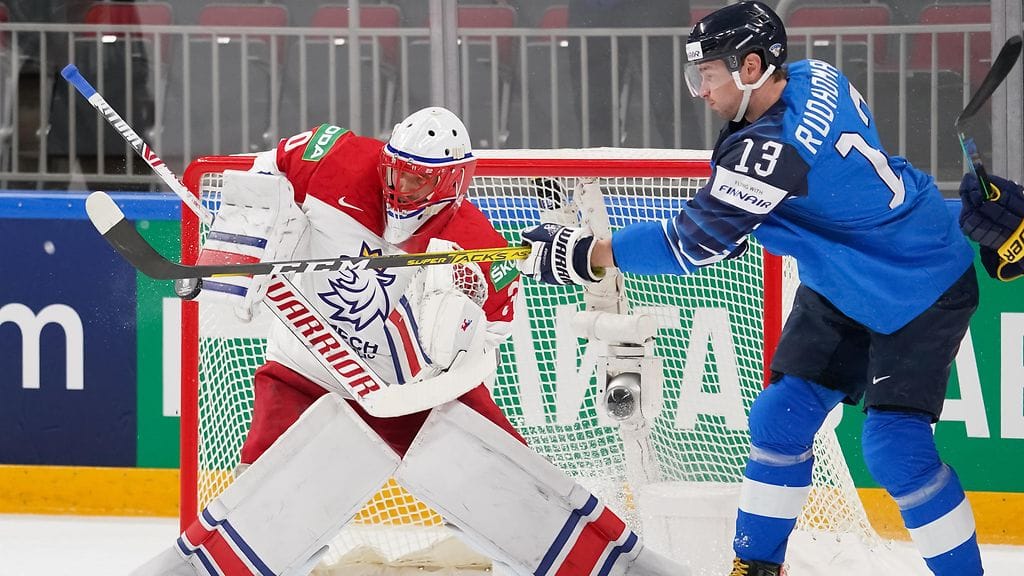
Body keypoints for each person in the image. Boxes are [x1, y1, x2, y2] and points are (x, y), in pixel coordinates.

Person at [518, 3, 984, 575]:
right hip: (843, 277)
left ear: (753, 66)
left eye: (708, 74)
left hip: (920, 282)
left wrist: (588, 254)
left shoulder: (771, 151)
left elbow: (693, 243)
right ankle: (759, 568)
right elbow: (737, 220)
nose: (700, 92)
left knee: (895, 450)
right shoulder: (817, 74)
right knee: (779, 420)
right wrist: (731, 221)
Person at [131, 107, 689, 576]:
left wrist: (449, 339)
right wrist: (228, 251)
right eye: (396, 171)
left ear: (453, 181)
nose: (400, 187)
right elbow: (264, 173)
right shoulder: (335, 158)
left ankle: (490, 553)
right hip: (310, 364)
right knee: (264, 484)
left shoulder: (475, 246)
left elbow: (492, 333)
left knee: (507, 476)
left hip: (413, 389)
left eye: (421, 179)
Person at [567, 0, 697, 148]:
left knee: (671, 107)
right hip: (593, 16)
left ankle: (690, 168)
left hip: (656, 15)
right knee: (593, 110)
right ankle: (597, 169)